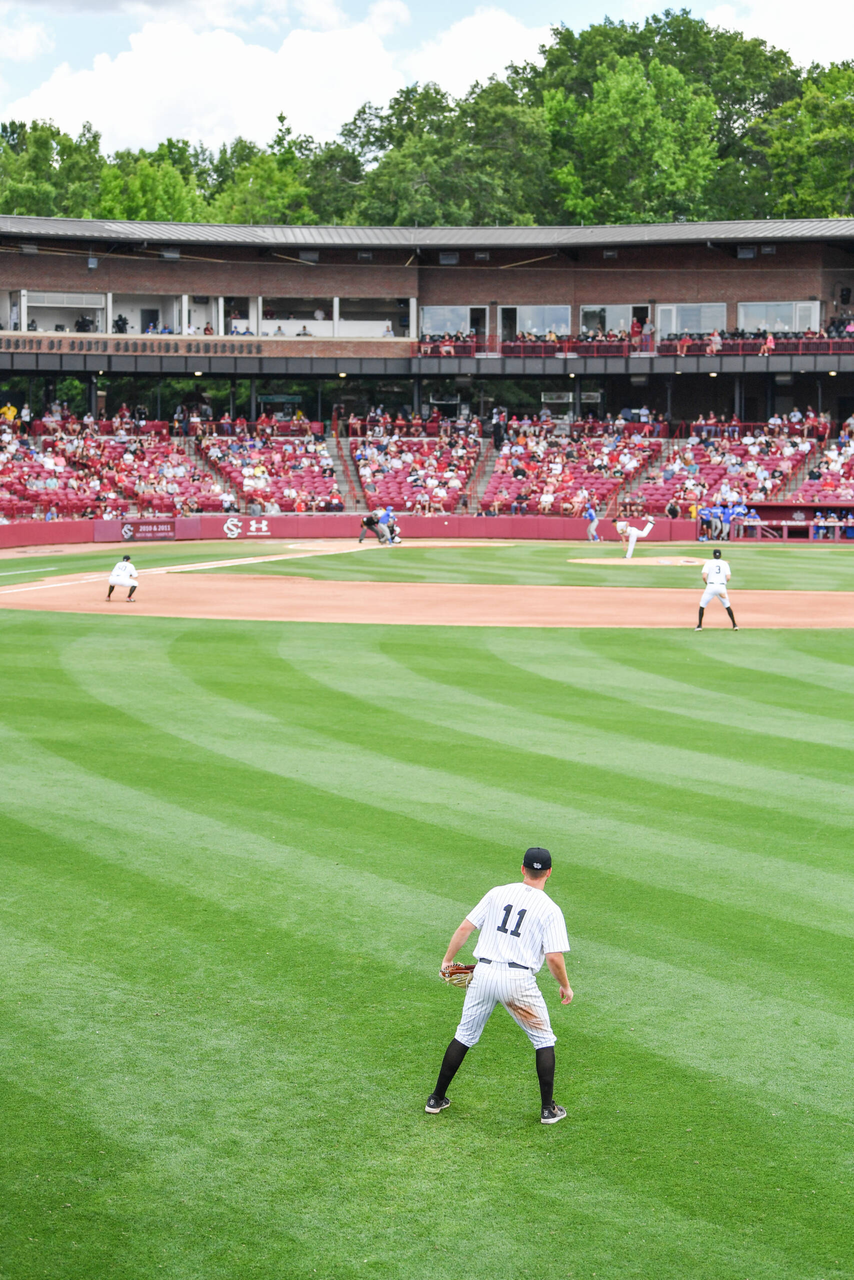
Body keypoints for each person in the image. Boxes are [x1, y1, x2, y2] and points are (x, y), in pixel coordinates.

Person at [426, 847, 573, 1125]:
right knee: (543, 1040)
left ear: (522, 869)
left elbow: (465, 928)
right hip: (518, 981)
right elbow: (554, 956)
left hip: (483, 974)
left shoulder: (497, 893)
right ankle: (547, 1110)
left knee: (464, 1035)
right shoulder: (550, 909)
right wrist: (565, 985)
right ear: (549, 873)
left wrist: (448, 960)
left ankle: (436, 1098)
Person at [695, 547, 738, 631]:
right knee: (727, 606)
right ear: (720, 555)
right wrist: (723, 584)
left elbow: (704, 576)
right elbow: (728, 577)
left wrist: (707, 583)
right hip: (721, 587)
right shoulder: (725, 564)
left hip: (710, 586)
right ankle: (734, 624)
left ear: (713, 555)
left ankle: (699, 625)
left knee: (702, 606)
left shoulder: (708, 563)